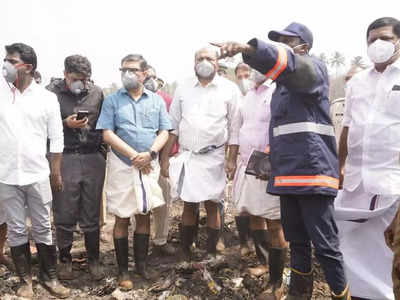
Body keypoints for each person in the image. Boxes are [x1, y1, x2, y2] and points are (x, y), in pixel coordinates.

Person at [214, 22, 349, 300]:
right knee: (297, 243)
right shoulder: (280, 90)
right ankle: (300, 295)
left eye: (288, 41)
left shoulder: (314, 70)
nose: (282, 45)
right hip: (286, 177)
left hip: (313, 175)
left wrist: (249, 49)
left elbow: (295, 70)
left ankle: (341, 294)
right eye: (278, 42)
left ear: (304, 46)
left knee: (325, 246)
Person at [336, 17, 400, 300]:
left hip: (392, 180)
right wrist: (338, 165)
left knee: (390, 253)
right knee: (353, 248)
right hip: (355, 181)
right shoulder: (357, 82)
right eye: (372, 40)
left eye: (384, 38)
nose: (377, 44)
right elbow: (347, 127)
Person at [0, 43, 70, 298]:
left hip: (37, 174)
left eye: (10, 61)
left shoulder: (46, 98)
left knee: (42, 226)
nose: (4, 65)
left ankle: (49, 276)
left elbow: (57, 138)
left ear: (27, 67)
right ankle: (25, 281)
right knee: (17, 228)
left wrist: (56, 172)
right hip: (6, 176)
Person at [96, 54, 171, 290]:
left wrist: (149, 153)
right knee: (121, 215)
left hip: (149, 163)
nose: (127, 74)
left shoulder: (156, 100)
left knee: (144, 213)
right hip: (122, 164)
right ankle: (123, 271)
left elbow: (164, 132)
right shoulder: (112, 100)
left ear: (144, 73)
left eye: (132, 70)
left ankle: (141, 265)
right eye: (123, 70)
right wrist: (133, 156)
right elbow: (107, 134)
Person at [160, 46, 240, 260]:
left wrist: (231, 159)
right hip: (189, 156)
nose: (204, 62)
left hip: (214, 157)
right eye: (200, 58)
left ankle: (211, 251)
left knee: (213, 205)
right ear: (194, 63)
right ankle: (185, 250)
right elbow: (173, 126)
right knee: (189, 204)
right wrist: (165, 158)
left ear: (217, 63)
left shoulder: (229, 89)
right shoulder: (183, 88)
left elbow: (234, 129)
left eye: (209, 58)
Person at [46, 55, 106, 281]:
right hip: (65, 157)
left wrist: (101, 154)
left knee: (92, 209)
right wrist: (65, 124)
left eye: (85, 78)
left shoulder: (97, 93)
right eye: (75, 78)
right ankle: (64, 258)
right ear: (65, 74)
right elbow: (42, 126)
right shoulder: (51, 94)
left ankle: (94, 259)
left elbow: (105, 123)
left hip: (92, 157)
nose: (81, 83)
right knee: (64, 210)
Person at [232, 67, 288, 296]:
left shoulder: (278, 92)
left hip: (269, 165)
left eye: (257, 66)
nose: (253, 72)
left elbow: (282, 128)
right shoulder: (247, 97)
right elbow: (237, 129)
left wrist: (272, 155)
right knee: (253, 215)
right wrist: (231, 159)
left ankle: (277, 280)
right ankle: (264, 262)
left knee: (274, 223)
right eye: (248, 68)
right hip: (247, 165)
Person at [143, 65, 176, 255]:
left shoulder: (167, 101)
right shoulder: (127, 102)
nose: (150, 81)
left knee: (163, 201)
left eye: (153, 77)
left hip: (160, 159)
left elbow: (172, 132)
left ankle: (161, 240)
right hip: (138, 160)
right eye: (146, 76)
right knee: (141, 204)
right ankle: (142, 241)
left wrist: (165, 160)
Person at [233, 62, 253, 257]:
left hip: (262, 158)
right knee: (241, 203)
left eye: (246, 75)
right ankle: (244, 242)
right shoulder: (236, 100)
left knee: (261, 205)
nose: (244, 80)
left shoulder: (266, 94)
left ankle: (259, 243)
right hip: (241, 158)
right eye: (239, 77)